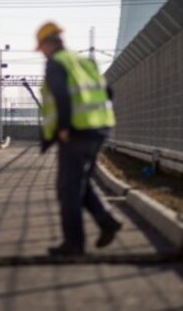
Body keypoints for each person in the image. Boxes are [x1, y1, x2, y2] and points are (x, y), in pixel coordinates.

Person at [36, 21, 122, 256]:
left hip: (76, 132)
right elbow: (109, 92)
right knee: (80, 183)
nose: (41, 52)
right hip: (99, 128)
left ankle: (73, 244)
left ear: (47, 44)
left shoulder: (57, 64)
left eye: (41, 47)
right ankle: (107, 222)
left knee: (68, 189)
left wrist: (63, 128)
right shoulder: (84, 62)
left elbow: (62, 97)